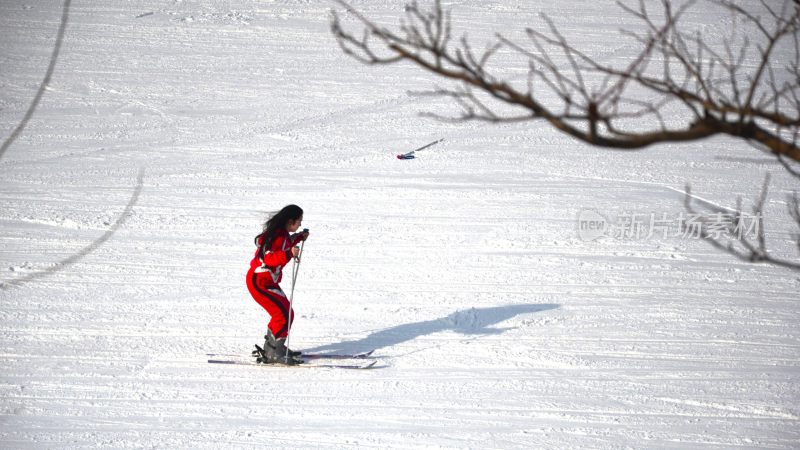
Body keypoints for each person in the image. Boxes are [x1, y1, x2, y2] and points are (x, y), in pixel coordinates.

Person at [246, 204, 309, 365]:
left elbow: (287, 243)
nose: (300, 224)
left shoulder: (282, 234)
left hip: (267, 281)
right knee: (283, 315)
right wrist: (289, 253)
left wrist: (300, 237)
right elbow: (268, 258)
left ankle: (273, 348)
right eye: (299, 221)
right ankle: (274, 352)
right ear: (290, 221)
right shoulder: (278, 236)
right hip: (260, 282)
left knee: (285, 313)